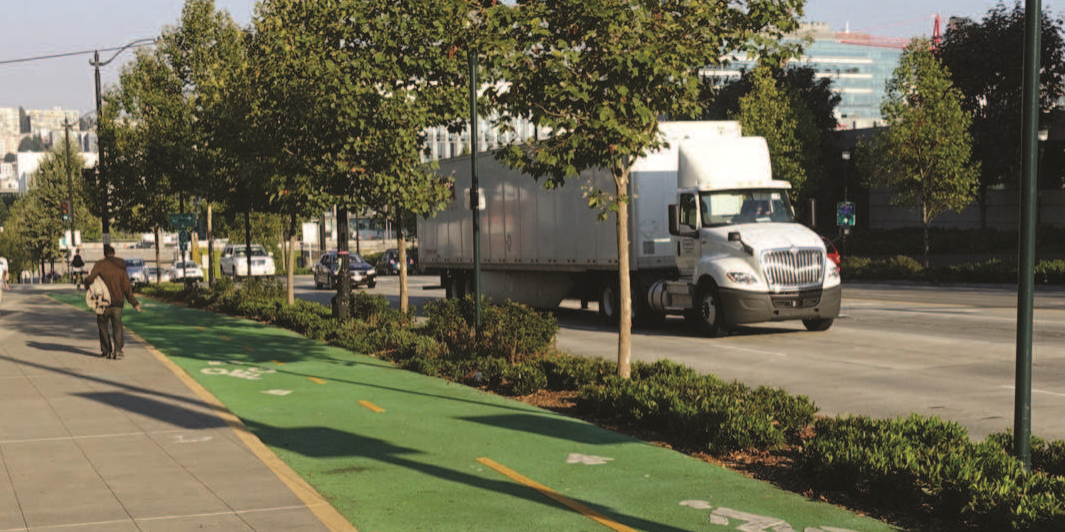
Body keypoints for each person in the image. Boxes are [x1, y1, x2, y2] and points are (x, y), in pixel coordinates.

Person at [84, 245, 141, 359]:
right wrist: (134, 303)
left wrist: (86, 283)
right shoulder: (121, 267)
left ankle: (106, 350)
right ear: (114, 254)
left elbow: (91, 279)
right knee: (117, 325)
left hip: (103, 301)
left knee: (102, 325)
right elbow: (126, 287)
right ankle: (118, 350)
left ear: (104, 254)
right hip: (118, 302)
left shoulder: (100, 264)